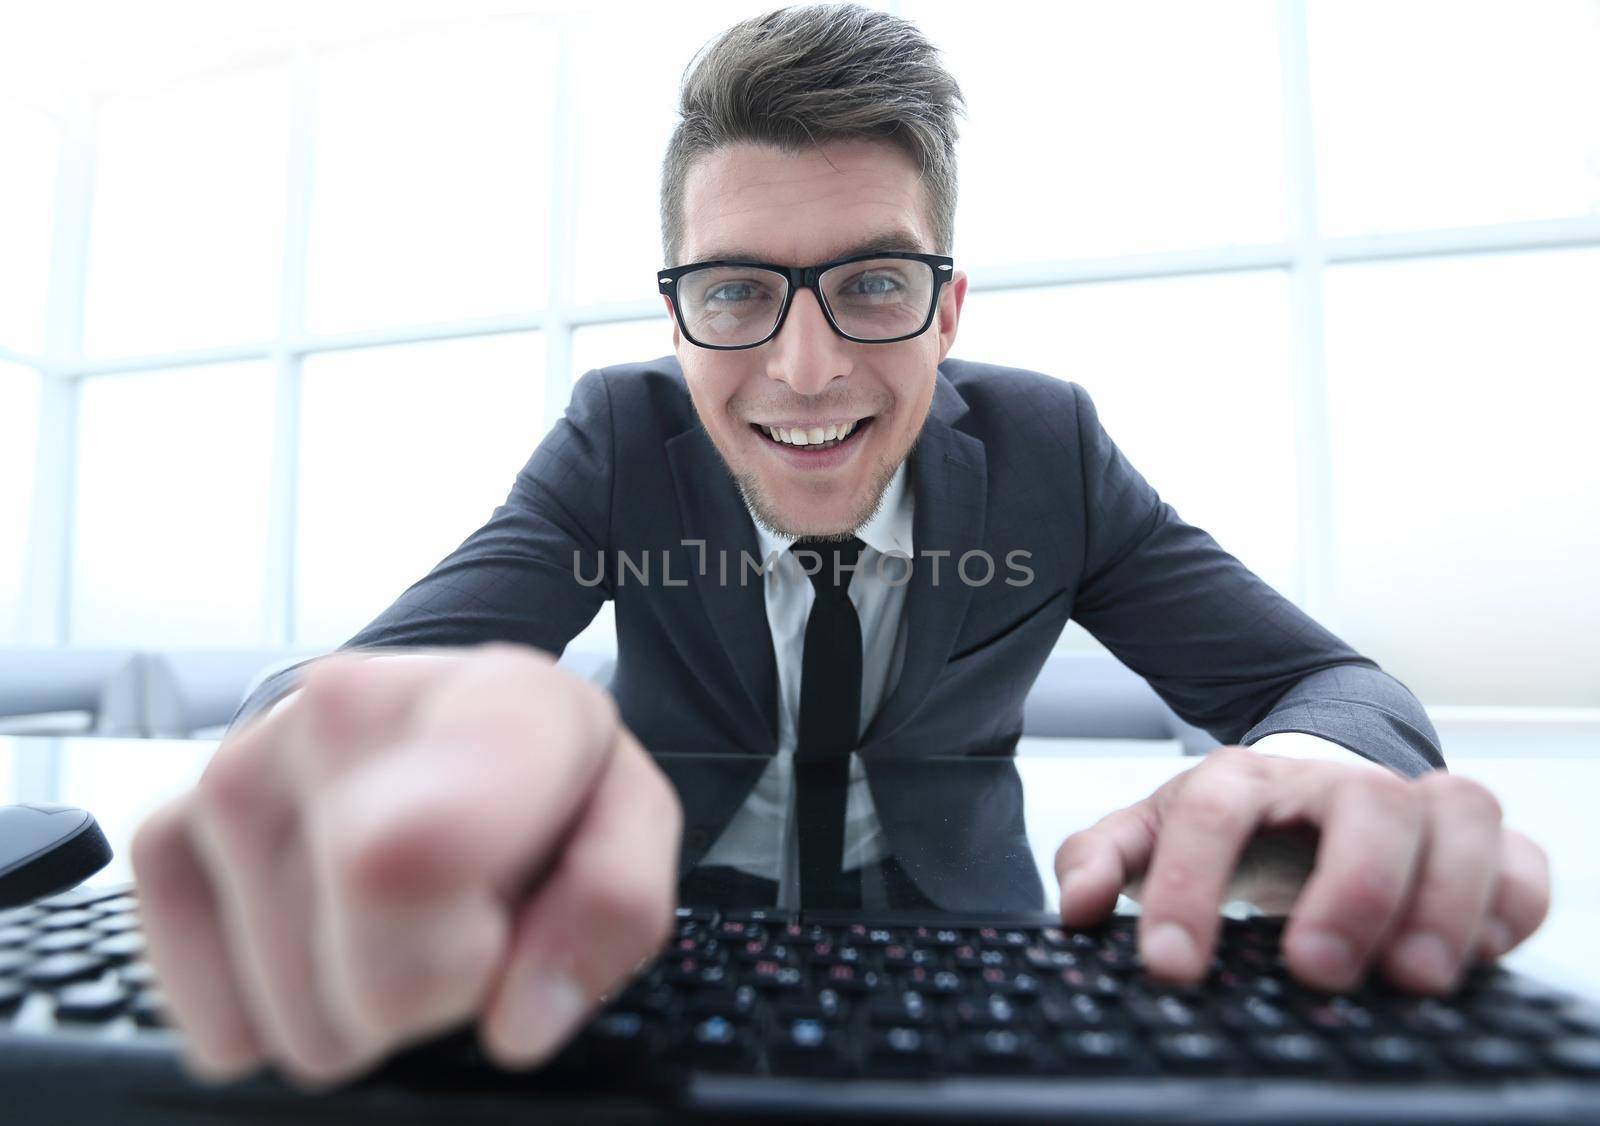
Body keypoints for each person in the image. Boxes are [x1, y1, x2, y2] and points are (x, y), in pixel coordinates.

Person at [130, 3, 1549, 1092]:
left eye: (873, 281)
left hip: (975, 968)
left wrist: (1305, 779)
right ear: (676, 313)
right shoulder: (620, 439)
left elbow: (1339, 690)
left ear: (948, 306)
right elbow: (357, 685)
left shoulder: (1049, 452)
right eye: (739, 290)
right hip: (654, 960)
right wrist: (354, 757)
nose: (805, 369)